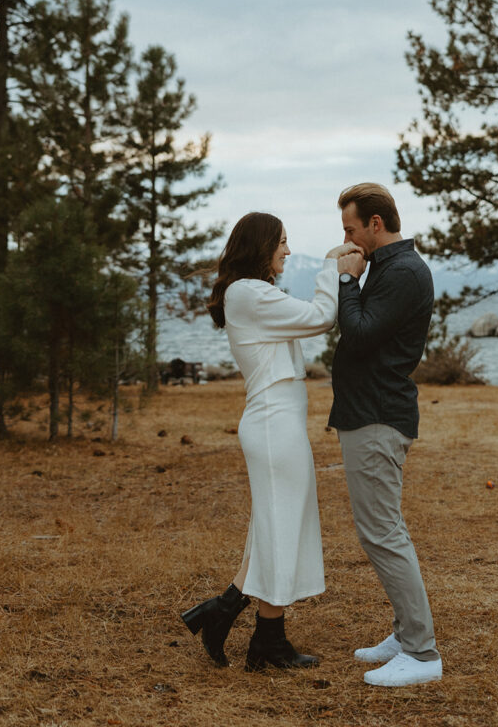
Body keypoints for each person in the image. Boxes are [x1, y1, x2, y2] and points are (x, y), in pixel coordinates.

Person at [181, 211, 358, 672]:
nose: (287, 249)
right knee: (279, 528)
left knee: (276, 527)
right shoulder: (248, 293)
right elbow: (321, 317)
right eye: (281, 241)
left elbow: (306, 320)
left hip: (279, 421)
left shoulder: (255, 293)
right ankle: (250, 630)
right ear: (261, 246)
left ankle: (236, 621)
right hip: (271, 423)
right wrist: (331, 268)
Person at [329, 183, 443, 687]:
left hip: (377, 416)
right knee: (383, 529)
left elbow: (357, 332)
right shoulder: (390, 267)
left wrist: (347, 282)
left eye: (351, 228)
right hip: (367, 412)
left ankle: (421, 655)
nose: (347, 239)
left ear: (376, 224)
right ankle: (404, 634)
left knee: (383, 533)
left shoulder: (402, 272)